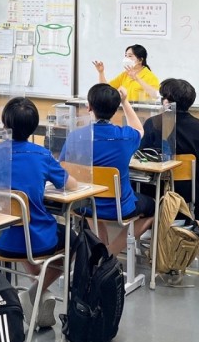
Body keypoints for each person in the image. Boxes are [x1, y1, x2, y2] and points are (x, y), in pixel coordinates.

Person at [0, 97, 78, 328]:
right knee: (74, 241)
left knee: (21, 232)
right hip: (35, 240)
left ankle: (38, 287)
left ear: (4, 124)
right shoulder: (41, 155)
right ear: (34, 127)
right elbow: (71, 185)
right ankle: (34, 292)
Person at [63, 83, 154, 257]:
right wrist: (125, 102)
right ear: (115, 109)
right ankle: (110, 254)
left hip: (83, 204)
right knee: (155, 208)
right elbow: (139, 129)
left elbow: (64, 166)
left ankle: (102, 253)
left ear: (89, 107)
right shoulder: (125, 135)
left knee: (93, 204)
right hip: (118, 207)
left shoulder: (75, 136)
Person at [142, 78, 199, 204]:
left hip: (157, 188)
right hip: (191, 188)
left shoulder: (153, 123)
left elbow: (142, 153)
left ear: (166, 102)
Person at [93, 44, 160, 102]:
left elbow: (156, 95)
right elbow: (105, 89)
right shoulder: (125, 74)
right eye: (126, 55)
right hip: (124, 110)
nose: (126, 58)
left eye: (130, 56)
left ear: (140, 60)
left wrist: (137, 79)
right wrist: (101, 72)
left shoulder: (150, 76)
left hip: (142, 111)